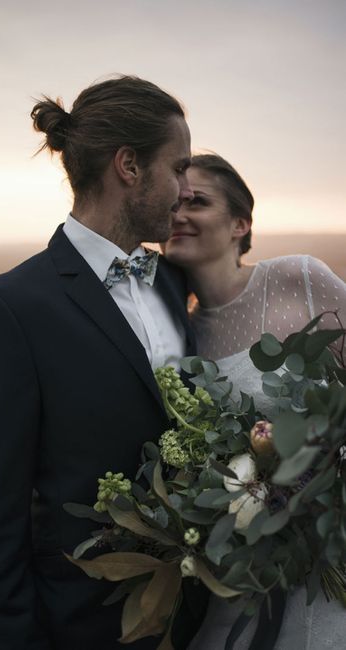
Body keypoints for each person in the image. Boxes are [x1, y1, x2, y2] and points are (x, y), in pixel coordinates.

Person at [0, 76, 208, 650]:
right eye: (180, 167)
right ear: (129, 166)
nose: (187, 189)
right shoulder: (10, 309)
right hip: (80, 627)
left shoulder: (170, 283)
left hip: (199, 623)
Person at [162, 153, 346, 649]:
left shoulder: (298, 279)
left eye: (196, 202)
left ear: (241, 223)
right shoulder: (175, 336)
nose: (178, 214)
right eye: (173, 203)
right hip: (248, 571)